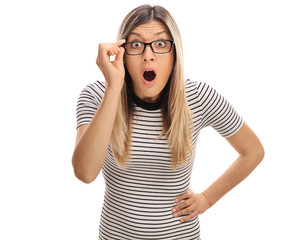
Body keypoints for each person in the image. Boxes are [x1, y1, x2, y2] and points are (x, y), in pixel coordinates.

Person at [72, 4, 264, 240]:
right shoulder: (95, 95)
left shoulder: (198, 97)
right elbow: (85, 172)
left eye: (161, 44)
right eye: (136, 44)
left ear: (175, 54)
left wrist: (207, 199)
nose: (148, 55)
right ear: (121, 53)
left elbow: (253, 151)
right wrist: (113, 87)